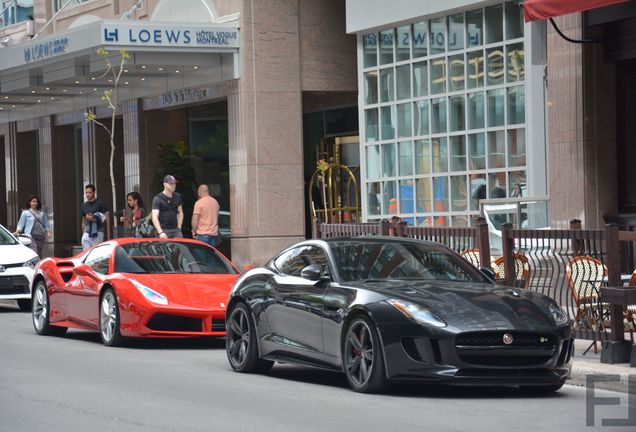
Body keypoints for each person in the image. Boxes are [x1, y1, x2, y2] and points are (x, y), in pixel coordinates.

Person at [151, 175, 184, 239]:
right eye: (171, 183)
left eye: (174, 183)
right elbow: (154, 216)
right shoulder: (157, 198)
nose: (174, 185)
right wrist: (160, 232)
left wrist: (179, 228)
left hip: (175, 230)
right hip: (163, 230)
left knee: (179, 248)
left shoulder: (178, 197)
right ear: (165, 184)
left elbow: (180, 212)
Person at [81, 184, 109, 250]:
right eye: (86, 193)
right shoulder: (84, 205)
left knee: (96, 251)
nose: (87, 194)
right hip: (87, 231)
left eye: (89, 193)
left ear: (94, 193)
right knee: (84, 242)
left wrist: (95, 218)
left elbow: (106, 217)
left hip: (98, 231)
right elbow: (83, 220)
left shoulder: (100, 204)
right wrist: (83, 231)